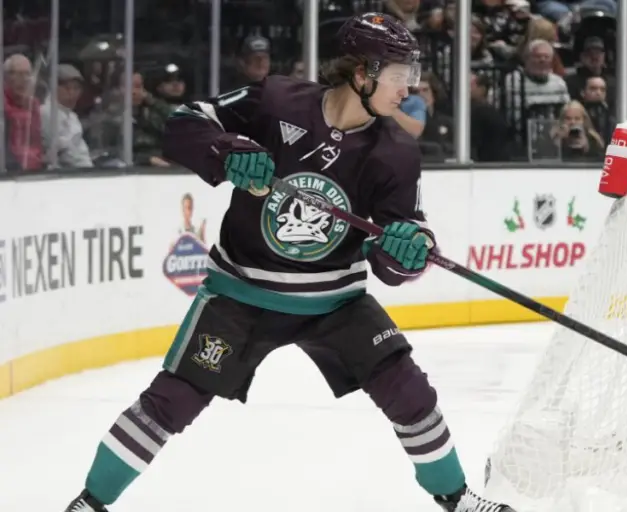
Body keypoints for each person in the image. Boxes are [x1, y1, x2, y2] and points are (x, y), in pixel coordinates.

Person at [63, 13, 515, 512]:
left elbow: (395, 251)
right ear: (362, 74)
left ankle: (457, 499)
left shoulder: (396, 153)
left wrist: (405, 250)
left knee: (410, 393)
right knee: (171, 401)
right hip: (240, 295)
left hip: (336, 301)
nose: (410, 86)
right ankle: (89, 502)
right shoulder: (276, 100)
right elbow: (184, 123)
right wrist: (227, 151)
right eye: (398, 73)